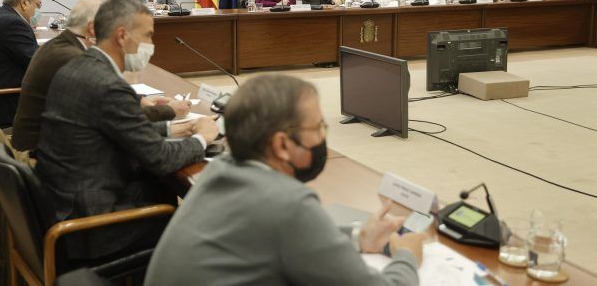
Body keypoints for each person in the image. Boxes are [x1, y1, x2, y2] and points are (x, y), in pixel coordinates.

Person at [144, 74, 424, 286]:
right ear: (281, 144)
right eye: (318, 127)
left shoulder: (224, 169)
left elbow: (290, 240)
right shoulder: (288, 204)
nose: (321, 138)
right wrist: (407, 256)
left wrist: (358, 238)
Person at [35, 0, 219, 261]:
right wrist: (203, 137)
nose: (151, 45)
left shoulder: (78, 66)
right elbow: (160, 158)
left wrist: (175, 128)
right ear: (122, 36)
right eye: (148, 35)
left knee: (163, 190)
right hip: (91, 226)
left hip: (62, 203)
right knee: (195, 225)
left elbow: (120, 130)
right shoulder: (108, 85)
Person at [11, 0, 191, 153]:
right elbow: (122, 118)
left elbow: (105, 99)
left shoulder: (62, 44)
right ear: (93, 29)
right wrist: (170, 110)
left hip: (50, 142)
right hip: (40, 152)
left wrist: (139, 100)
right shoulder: (71, 58)